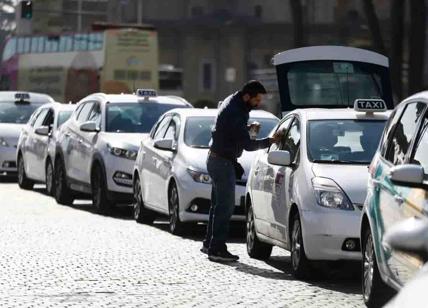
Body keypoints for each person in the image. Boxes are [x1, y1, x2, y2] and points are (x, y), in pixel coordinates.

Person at [201, 80, 283, 262]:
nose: (258, 103)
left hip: (216, 159)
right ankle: (217, 249)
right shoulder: (237, 111)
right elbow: (247, 145)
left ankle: (209, 243)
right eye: (257, 100)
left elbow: (229, 130)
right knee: (225, 206)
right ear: (247, 96)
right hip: (222, 163)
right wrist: (270, 141)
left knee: (217, 205)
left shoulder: (233, 101)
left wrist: (245, 129)